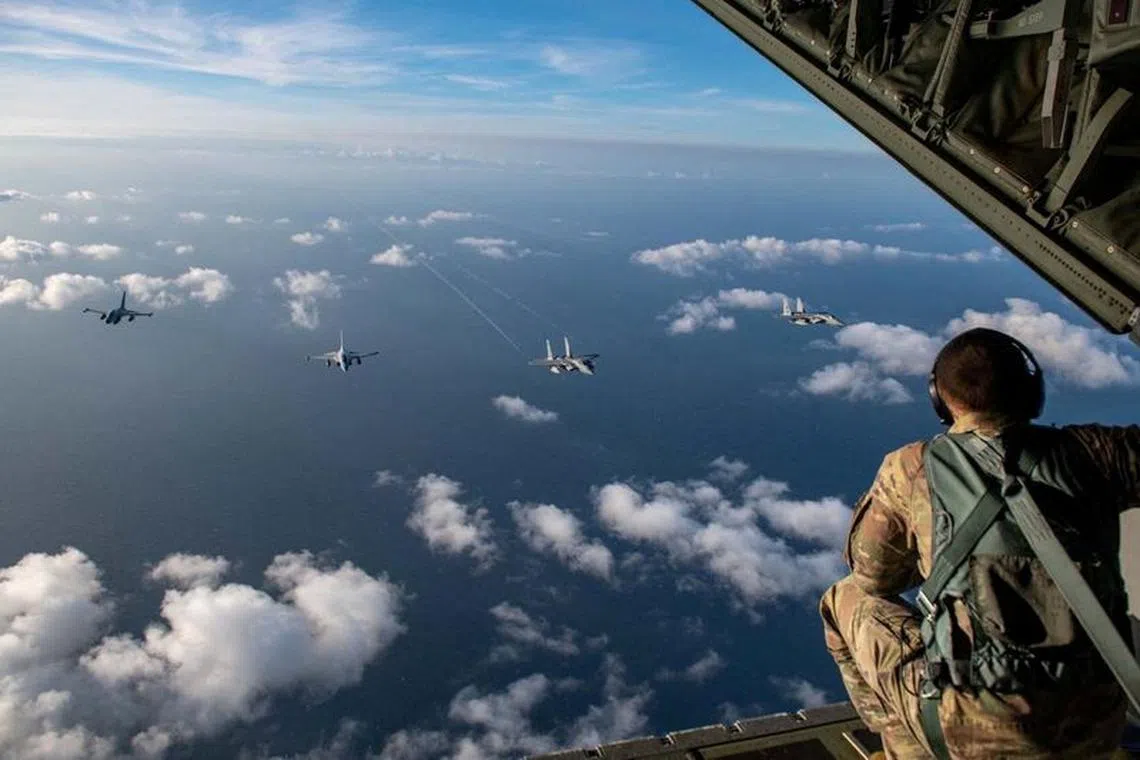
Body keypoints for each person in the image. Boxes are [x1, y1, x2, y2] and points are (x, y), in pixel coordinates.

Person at [820, 327, 1139, 759]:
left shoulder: (911, 468)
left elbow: (874, 576)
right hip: (1096, 726)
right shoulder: (1099, 452)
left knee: (845, 597)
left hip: (975, 737)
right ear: (1032, 391)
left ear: (941, 400)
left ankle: (907, 749)